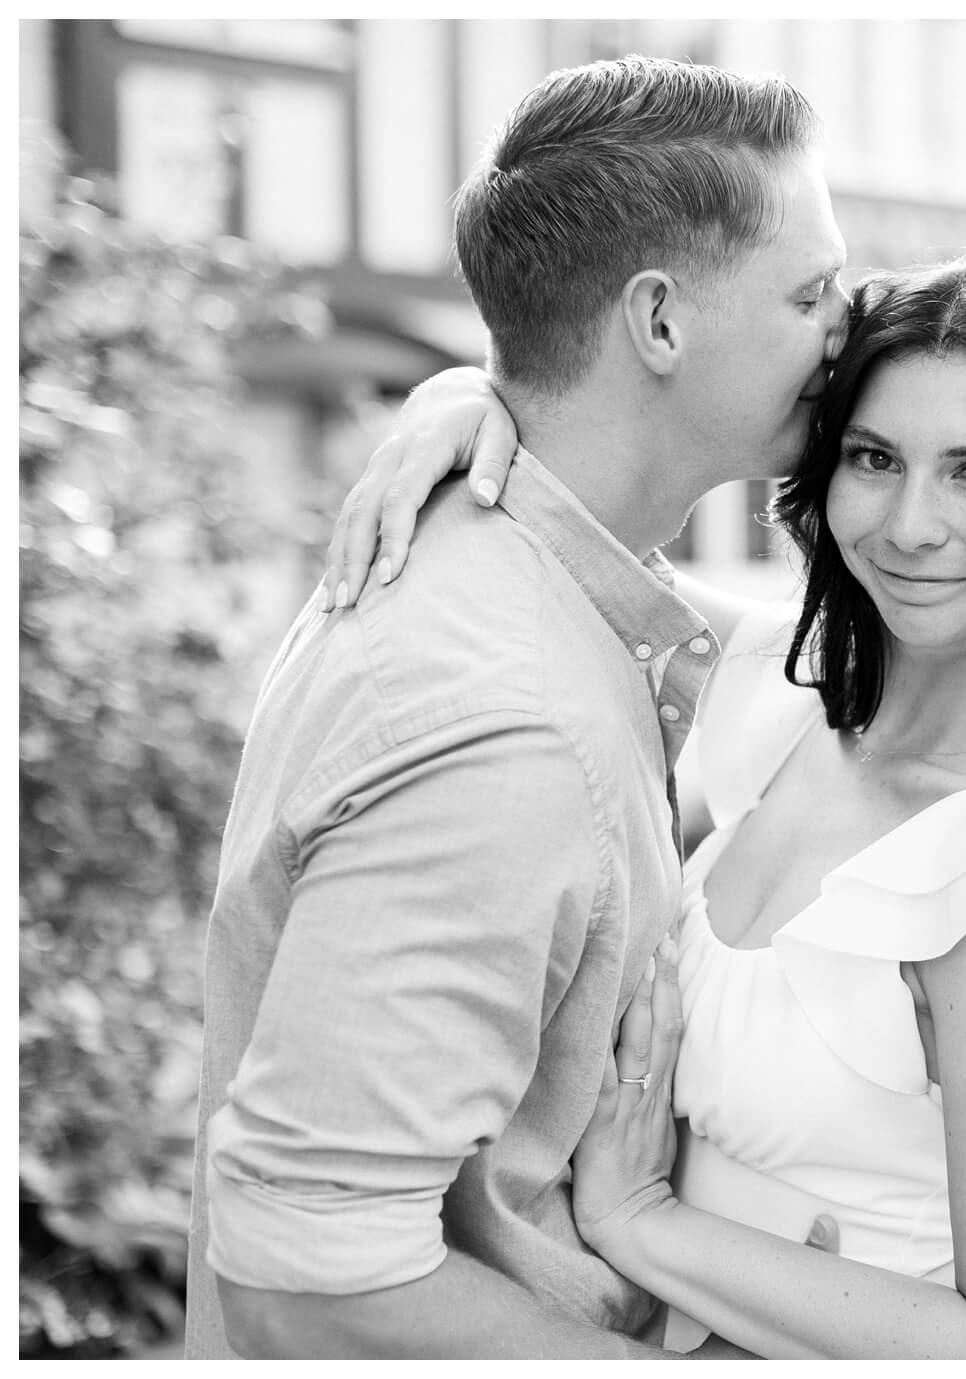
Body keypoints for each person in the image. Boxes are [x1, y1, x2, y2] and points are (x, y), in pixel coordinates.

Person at [324, 252, 966, 1358]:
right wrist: (458, 398)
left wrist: (641, 1223)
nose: (910, 524)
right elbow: (569, 523)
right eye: (874, 457)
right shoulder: (780, 702)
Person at [186, 56, 850, 1359]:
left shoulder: (509, 571)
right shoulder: (508, 719)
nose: (845, 329)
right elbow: (309, 1274)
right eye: (812, 292)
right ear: (658, 321)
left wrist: (465, 395)